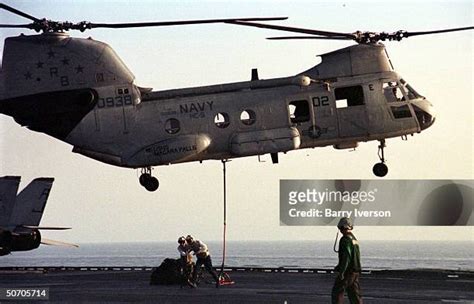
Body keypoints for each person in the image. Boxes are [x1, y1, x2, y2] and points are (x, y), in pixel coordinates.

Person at [331, 217, 363, 304]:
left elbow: (347, 257)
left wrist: (342, 272)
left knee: (337, 292)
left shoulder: (345, 240)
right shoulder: (354, 239)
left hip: (348, 272)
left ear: (341, 228)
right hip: (355, 271)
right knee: (354, 294)